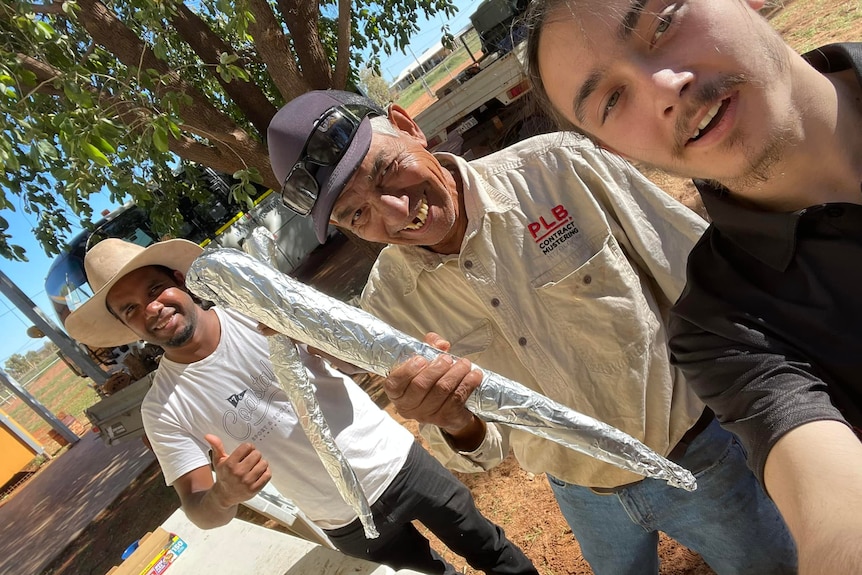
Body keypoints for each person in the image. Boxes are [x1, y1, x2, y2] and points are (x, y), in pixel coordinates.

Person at [266, 89, 797, 574]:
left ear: (408, 126)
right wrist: (454, 420)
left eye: (387, 171)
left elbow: (708, 287)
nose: (397, 212)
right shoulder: (391, 302)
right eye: (358, 214)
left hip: (697, 457)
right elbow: (486, 447)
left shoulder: (558, 170)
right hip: (580, 492)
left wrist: (785, 421)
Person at [525, 0, 862, 572]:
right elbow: (836, 516)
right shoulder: (725, 331)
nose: (664, 88)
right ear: (615, 152)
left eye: (664, 24)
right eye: (611, 99)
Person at [64, 238, 539, 575]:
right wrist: (225, 495)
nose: (149, 309)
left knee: (493, 552)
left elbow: (354, 361)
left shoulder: (259, 313)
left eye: (153, 291)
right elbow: (199, 510)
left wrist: (320, 341)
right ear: (128, 328)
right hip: (345, 520)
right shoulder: (163, 409)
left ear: (180, 280)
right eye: (130, 309)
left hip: (400, 464)